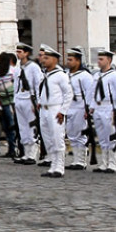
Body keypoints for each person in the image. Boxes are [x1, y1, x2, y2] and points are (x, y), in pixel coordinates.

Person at [35, 46, 73, 176]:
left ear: (55, 60)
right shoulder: (45, 74)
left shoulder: (60, 75)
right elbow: (41, 90)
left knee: (57, 138)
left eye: (47, 58)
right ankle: (52, 165)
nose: (43, 60)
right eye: (43, 57)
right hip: (44, 110)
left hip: (55, 109)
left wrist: (63, 111)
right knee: (48, 139)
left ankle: (59, 167)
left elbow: (69, 94)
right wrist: (39, 101)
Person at [64, 49, 94, 169]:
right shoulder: (66, 74)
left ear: (78, 61)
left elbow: (90, 93)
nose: (68, 62)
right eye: (68, 59)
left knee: (80, 134)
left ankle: (81, 161)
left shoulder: (85, 76)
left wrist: (88, 109)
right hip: (69, 107)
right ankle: (76, 160)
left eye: (71, 60)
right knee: (71, 133)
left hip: (80, 107)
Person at [12, 43, 42, 165]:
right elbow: (15, 86)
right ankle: (25, 153)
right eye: (17, 52)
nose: (18, 54)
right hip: (19, 98)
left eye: (20, 52)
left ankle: (33, 154)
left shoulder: (33, 67)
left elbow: (38, 84)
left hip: (29, 98)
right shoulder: (18, 68)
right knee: (22, 127)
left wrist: (38, 101)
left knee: (31, 127)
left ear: (26, 53)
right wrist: (15, 101)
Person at [90, 49, 116, 172]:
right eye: (98, 59)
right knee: (101, 137)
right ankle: (103, 162)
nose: (99, 61)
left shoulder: (114, 75)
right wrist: (91, 106)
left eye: (101, 59)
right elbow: (92, 92)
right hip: (98, 106)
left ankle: (112, 163)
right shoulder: (96, 75)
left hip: (109, 106)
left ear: (109, 60)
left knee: (111, 137)